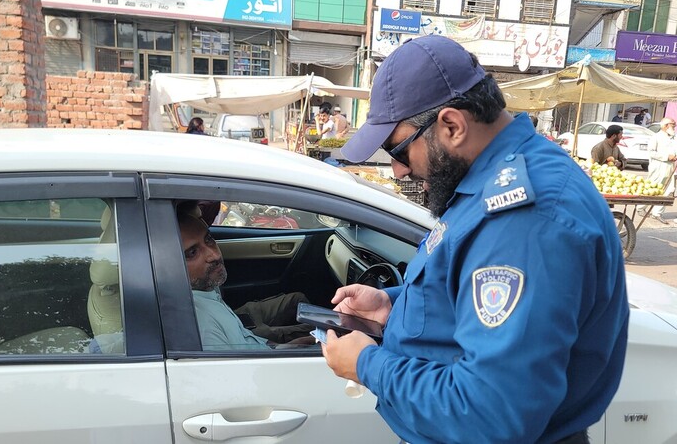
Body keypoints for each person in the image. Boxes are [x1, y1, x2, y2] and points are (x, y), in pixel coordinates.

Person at [320, 35, 629, 444]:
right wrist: (392, 305)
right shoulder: (486, 178)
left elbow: (490, 414)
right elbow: (463, 295)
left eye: (399, 151)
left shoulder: (524, 221)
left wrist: (367, 365)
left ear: (452, 126)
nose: (398, 171)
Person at [177, 202, 313, 349]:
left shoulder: (203, 286)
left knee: (298, 300)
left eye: (208, 239)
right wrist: (285, 350)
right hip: (255, 349)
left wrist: (279, 347)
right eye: (192, 253)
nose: (215, 255)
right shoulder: (205, 330)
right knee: (318, 333)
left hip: (244, 331)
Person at [637, 117, 677, 223]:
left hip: (670, 167)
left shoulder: (674, 137)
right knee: (652, 188)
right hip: (658, 166)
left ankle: (657, 213)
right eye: (673, 125)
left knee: (668, 190)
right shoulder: (656, 137)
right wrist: (666, 157)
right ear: (666, 126)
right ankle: (640, 207)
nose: (674, 127)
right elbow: (651, 152)